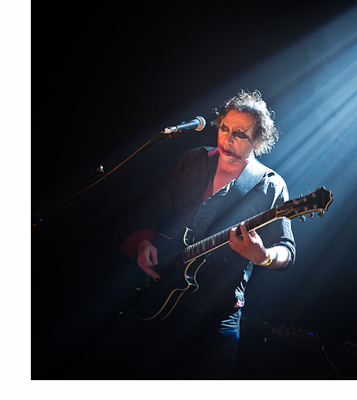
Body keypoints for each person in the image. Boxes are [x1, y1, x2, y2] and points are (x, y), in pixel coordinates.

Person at [117, 90, 295, 379]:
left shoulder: (270, 185)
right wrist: (144, 242)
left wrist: (263, 257)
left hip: (217, 315)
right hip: (161, 293)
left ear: (259, 142)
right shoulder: (193, 161)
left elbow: (287, 250)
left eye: (240, 134)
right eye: (224, 128)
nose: (227, 139)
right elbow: (153, 207)